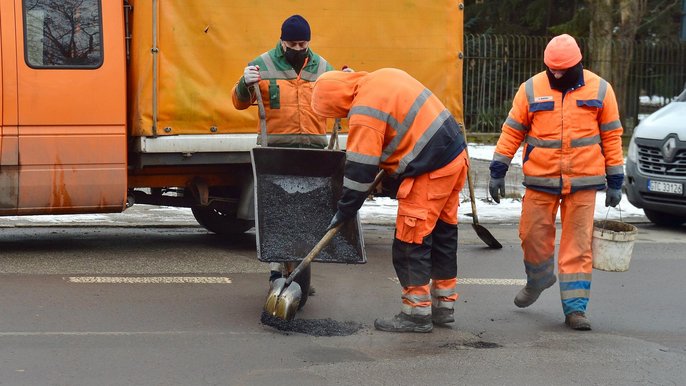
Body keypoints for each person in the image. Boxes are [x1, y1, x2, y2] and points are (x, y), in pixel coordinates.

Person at [311, 68, 469, 333]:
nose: (341, 117)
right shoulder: (380, 77)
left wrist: (346, 209)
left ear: (336, 101)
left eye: (336, 113)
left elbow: (360, 169)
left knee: (411, 239)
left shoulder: (364, 109)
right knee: (442, 232)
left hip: (431, 169)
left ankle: (416, 314)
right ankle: (443, 305)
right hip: (455, 158)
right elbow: (402, 131)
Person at [488, 34, 624, 331]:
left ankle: (575, 310)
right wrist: (498, 167)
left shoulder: (601, 89)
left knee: (577, 247)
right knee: (532, 238)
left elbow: (612, 136)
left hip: (584, 182)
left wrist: (615, 177)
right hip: (540, 180)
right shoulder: (531, 89)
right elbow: (512, 130)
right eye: (552, 70)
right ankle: (538, 279)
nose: (557, 75)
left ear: (578, 64)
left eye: (563, 70)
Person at [231, 15, 334, 288]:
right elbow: (240, 102)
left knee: (305, 218)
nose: (298, 49)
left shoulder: (322, 67)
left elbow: (341, 102)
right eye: (292, 43)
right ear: (282, 41)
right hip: (276, 154)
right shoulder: (261, 65)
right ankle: (277, 272)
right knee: (278, 217)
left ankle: (301, 271)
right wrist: (244, 82)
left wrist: (346, 82)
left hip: (313, 153)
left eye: (302, 44)